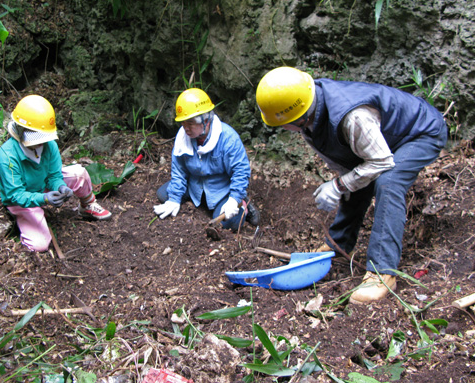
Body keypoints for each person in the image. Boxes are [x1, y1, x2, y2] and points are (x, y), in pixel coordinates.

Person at [255, 67, 447, 304]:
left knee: (388, 182)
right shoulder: (310, 114)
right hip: (382, 142)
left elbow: (381, 162)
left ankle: (382, 272)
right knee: (354, 179)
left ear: (299, 116)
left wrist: (337, 186)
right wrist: (343, 183)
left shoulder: (352, 116)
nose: (281, 128)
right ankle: (338, 247)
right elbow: (351, 168)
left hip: (420, 132)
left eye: (282, 124)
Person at [0, 95, 112, 253]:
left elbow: (54, 175)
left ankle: (87, 204)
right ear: (21, 130)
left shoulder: (49, 145)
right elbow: (15, 194)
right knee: (40, 245)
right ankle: (26, 223)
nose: (41, 142)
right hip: (22, 200)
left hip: (42, 185)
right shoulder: (6, 156)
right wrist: (44, 198)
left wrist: (61, 187)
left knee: (79, 173)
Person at [154, 88, 260, 231]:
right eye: (183, 123)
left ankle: (243, 203)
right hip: (195, 186)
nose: (186, 128)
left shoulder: (228, 138)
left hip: (221, 190)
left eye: (191, 123)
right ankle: (198, 201)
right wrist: (174, 197)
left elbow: (240, 171)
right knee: (163, 194)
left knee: (230, 223)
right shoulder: (183, 137)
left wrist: (234, 199)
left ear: (206, 120)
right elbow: (179, 170)